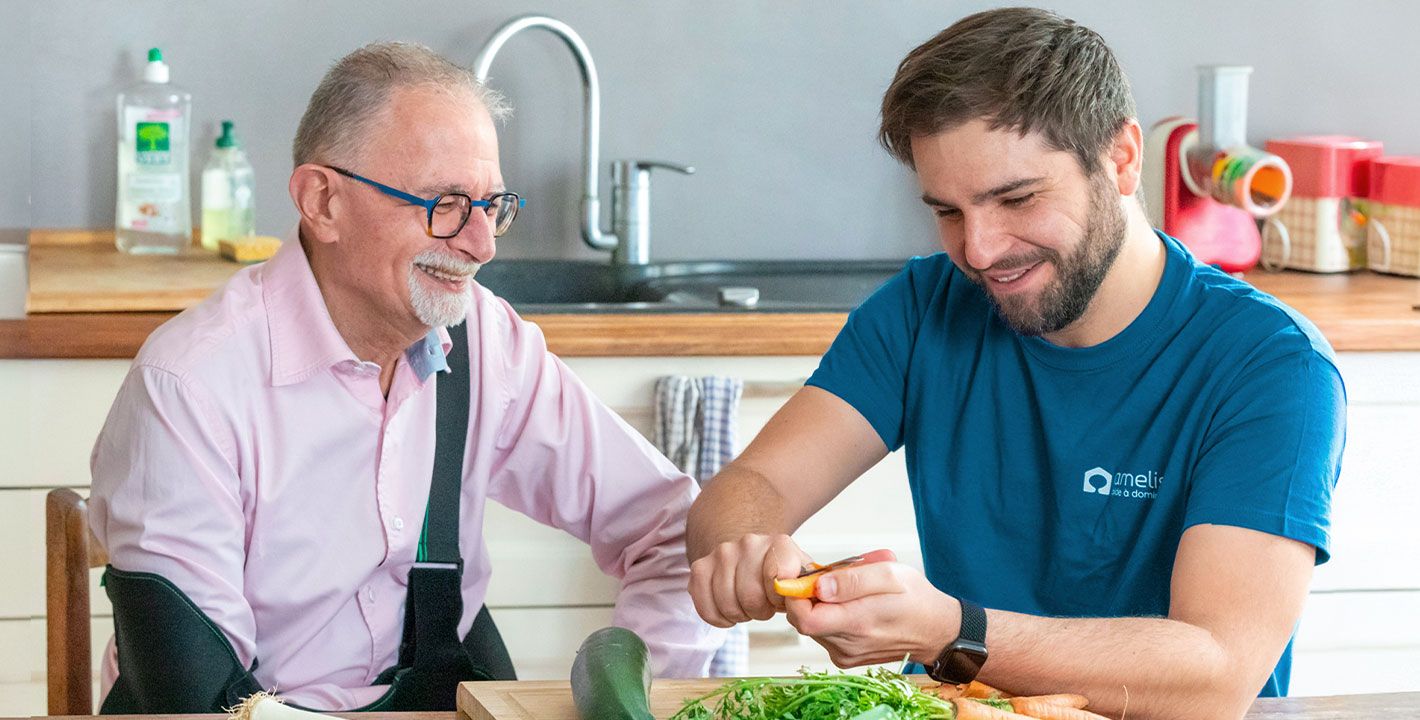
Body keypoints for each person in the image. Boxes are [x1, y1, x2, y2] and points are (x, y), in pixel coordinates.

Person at [685, 8, 1344, 719]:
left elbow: (1215, 677)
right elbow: (752, 484)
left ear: (1121, 159)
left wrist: (952, 631)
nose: (979, 251)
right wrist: (747, 551)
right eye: (947, 211)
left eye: (1017, 198)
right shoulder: (922, 307)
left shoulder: (1273, 367)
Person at [89, 41, 719, 712]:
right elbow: (199, 701)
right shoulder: (191, 386)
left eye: (491, 205)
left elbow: (675, 530)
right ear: (322, 201)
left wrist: (638, 704)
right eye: (444, 203)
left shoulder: (491, 343)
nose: (482, 244)